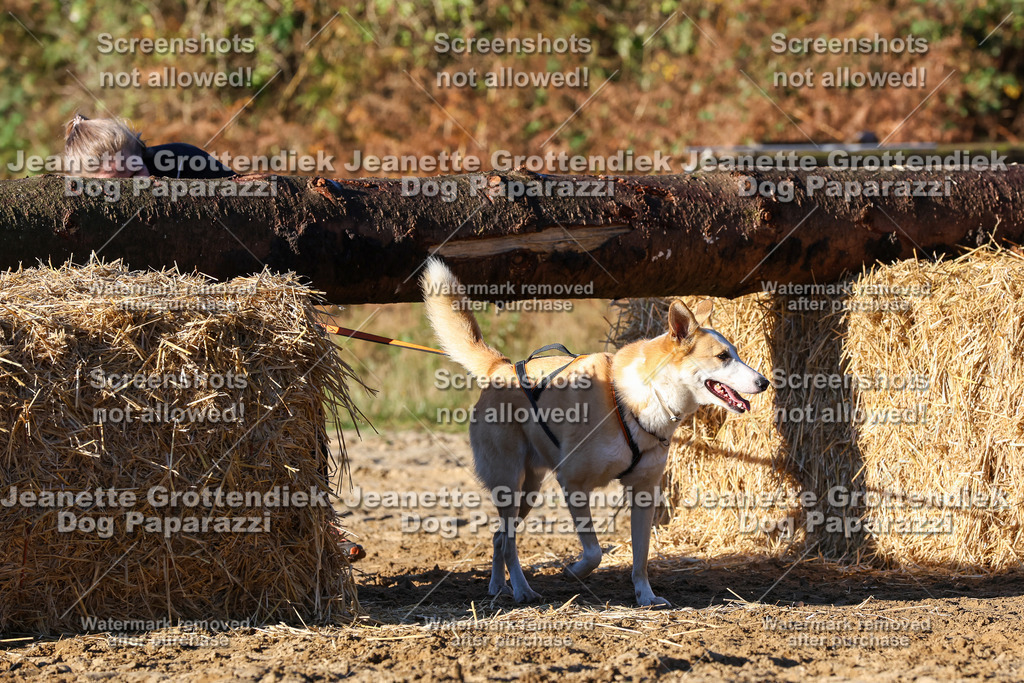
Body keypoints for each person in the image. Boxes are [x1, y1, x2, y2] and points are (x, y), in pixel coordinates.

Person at [63, 114, 234, 179]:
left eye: (136, 172)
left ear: (140, 152)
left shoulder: (184, 159)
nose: (137, 185)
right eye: (116, 185)